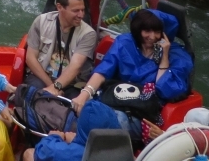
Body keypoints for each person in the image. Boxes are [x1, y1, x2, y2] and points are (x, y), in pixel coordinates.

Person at [71, 9, 194, 143]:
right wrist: (85, 94)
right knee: (83, 111)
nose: (152, 36)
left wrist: (164, 57)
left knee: (106, 121)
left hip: (142, 113)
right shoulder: (125, 42)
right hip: (115, 100)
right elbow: (103, 70)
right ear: (138, 30)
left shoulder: (178, 57)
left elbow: (166, 91)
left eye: (157, 32)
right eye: (147, 31)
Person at [24, 0, 96, 98]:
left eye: (83, 10)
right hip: (42, 76)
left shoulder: (88, 34)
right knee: (34, 93)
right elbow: (30, 58)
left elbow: (75, 66)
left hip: (71, 84)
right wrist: (51, 86)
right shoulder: (41, 21)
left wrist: (56, 87)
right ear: (59, 7)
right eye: (76, 11)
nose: (81, 15)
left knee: (74, 105)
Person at [22, 100, 119, 161]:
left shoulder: (74, 153)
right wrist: (77, 142)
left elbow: (44, 151)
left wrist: (55, 137)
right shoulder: (123, 147)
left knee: (29, 154)